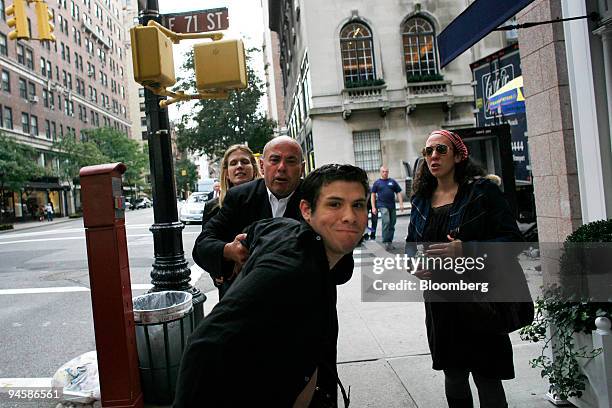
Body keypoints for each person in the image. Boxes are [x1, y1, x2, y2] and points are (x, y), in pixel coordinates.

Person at [175, 164, 368, 408]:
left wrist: (245, 244)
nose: (349, 216)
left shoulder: (285, 230)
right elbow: (204, 345)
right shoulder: (288, 270)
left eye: (358, 205)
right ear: (306, 210)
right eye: (334, 204)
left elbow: (260, 229)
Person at [405, 129, 524, 408]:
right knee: (454, 374)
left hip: (481, 299)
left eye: (441, 150)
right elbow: (411, 245)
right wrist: (414, 265)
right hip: (441, 302)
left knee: (487, 375)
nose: (433, 156)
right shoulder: (421, 200)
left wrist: (467, 248)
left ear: (459, 155)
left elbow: (513, 241)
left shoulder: (483, 192)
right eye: (428, 151)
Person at [193, 136, 355, 298]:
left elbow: (343, 270)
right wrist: (230, 251)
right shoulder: (239, 197)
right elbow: (202, 245)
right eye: (275, 160)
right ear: (262, 166)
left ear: (302, 168)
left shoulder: (320, 200)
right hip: (250, 307)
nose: (282, 168)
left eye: (291, 161)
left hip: (307, 307)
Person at [200, 144, 262, 295]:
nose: (239, 166)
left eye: (245, 162)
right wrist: (218, 272)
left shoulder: (268, 199)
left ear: (254, 169)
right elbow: (206, 245)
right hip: (231, 284)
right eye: (233, 163)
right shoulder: (213, 207)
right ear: (226, 173)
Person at [371, 166, 403, 250]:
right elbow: (373, 195)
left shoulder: (392, 182)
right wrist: (373, 207)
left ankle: (389, 242)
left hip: (391, 206)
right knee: (386, 221)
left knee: (392, 223)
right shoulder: (377, 183)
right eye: (383, 171)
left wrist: (401, 204)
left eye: (386, 171)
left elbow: (398, 192)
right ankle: (385, 241)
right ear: (380, 172)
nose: (385, 173)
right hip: (382, 205)